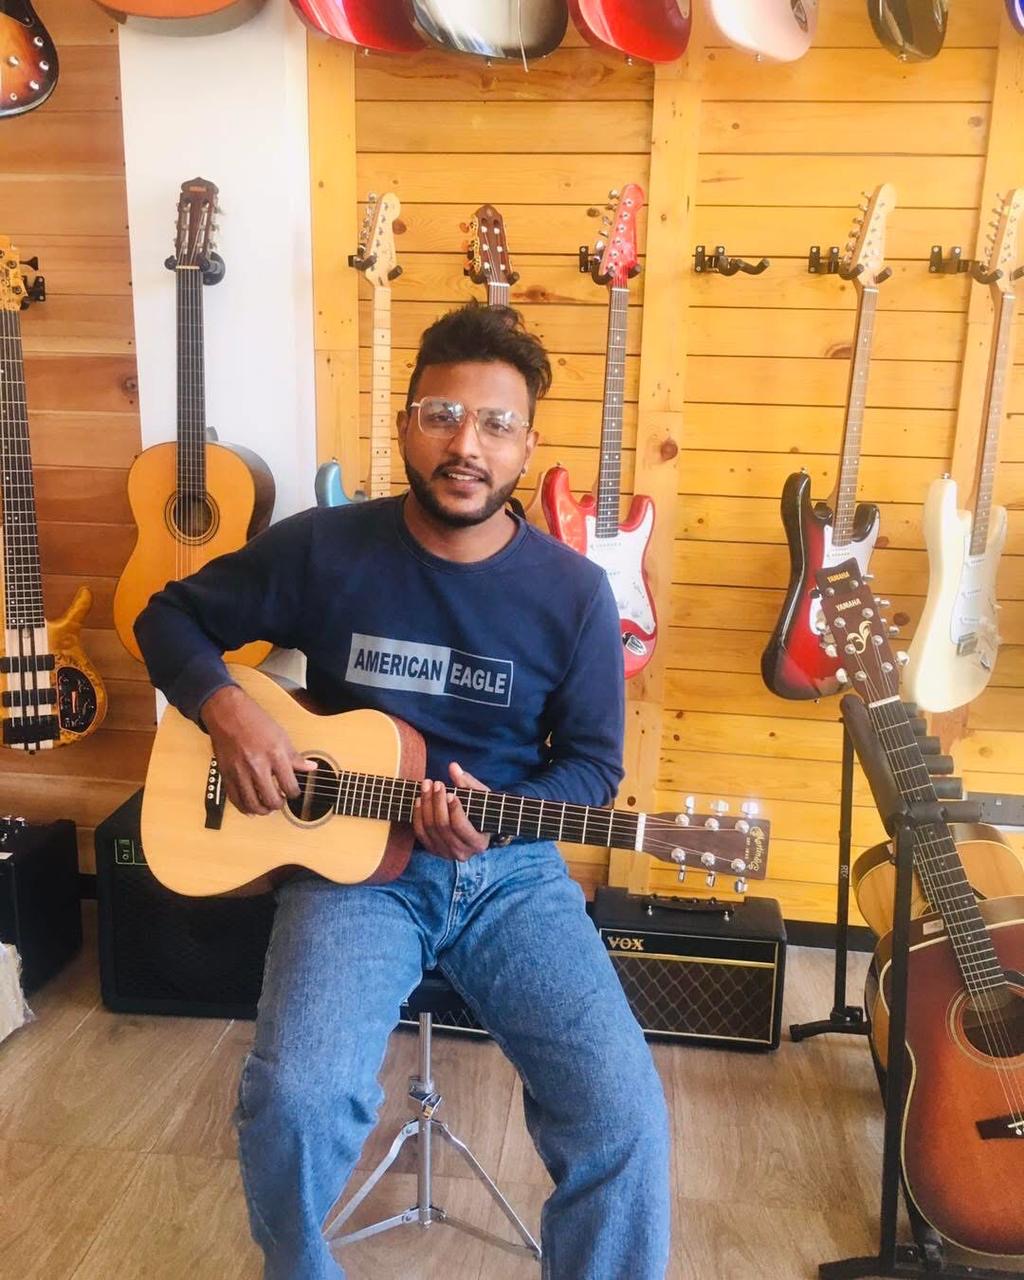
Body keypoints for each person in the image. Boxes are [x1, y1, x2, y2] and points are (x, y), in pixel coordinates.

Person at [135, 303, 671, 1280]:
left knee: (623, 1118)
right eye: (442, 415)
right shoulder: (326, 548)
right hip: (352, 871)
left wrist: (491, 821)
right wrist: (227, 708)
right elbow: (167, 617)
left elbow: (595, 768)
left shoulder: (573, 592)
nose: (467, 444)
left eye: (496, 424)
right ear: (404, 425)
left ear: (526, 446)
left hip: (510, 876)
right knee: (294, 1102)